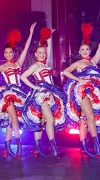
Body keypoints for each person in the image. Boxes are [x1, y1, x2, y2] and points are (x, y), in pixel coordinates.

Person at [0, 23, 36, 158]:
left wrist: (31, 33)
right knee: (13, 117)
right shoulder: (2, 66)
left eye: (10, 52)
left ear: (13, 53)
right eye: (6, 53)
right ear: (4, 54)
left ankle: (7, 146)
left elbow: (25, 49)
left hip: (18, 93)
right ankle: (19, 146)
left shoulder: (18, 63)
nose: (8, 54)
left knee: (11, 121)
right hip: (7, 94)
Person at [20, 27, 66, 159]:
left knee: (43, 120)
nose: (43, 54)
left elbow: (49, 51)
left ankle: (37, 147)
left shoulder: (45, 65)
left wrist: (50, 37)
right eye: (40, 53)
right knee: (49, 120)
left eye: (44, 53)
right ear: (35, 55)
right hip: (41, 95)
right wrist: (35, 86)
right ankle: (54, 149)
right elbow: (23, 76)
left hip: (50, 93)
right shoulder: (35, 66)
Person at [63, 23, 100, 157]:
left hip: (94, 91)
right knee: (90, 117)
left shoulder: (93, 61)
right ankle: (97, 147)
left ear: (90, 51)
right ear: (79, 52)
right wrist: (78, 80)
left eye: (87, 49)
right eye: (82, 50)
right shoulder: (78, 63)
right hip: (82, 90)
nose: (85, 51)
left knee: (84, 119)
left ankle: (83, 147)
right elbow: (65, 72)